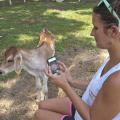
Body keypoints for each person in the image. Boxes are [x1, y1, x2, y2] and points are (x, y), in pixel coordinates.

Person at [33, 0, 120, 119]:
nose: (91, 33)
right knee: (42, 105)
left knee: (39, 115)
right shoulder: (113, 57)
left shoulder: (117, 80)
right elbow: (101, 88)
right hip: (87, 104)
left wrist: (66, 87)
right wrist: (71, 81)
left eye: (95, 28)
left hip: (88, 115)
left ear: (114, 31)